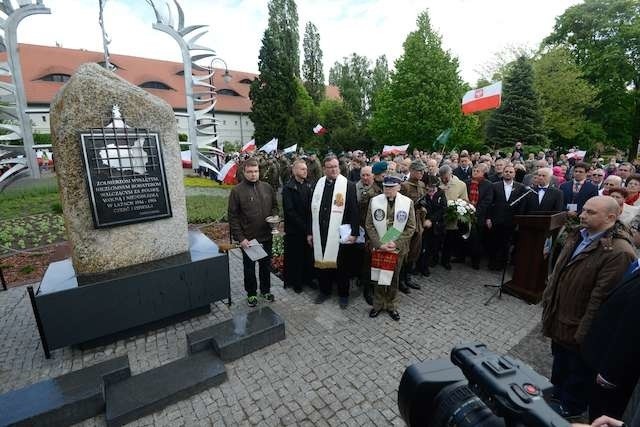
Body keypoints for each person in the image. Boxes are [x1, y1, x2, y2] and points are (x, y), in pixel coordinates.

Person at [542, 196, 636, 418]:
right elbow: (560, 271)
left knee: (577, 373)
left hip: (580, 330)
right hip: (561, 317)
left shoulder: (619, 252)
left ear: (611, 217)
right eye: (584, 210)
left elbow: (600, 301)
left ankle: (570, 409)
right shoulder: (578, 233)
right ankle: (556, 395)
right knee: (560, 364)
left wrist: (582, 336)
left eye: (591, 212)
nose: (583, 215)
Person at [309, 155, 360, 309]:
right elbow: (311, 211)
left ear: (339, 167)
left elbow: (354, 211)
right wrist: (309, 232)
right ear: (324, 169)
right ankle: (324, 291)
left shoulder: (348, 185)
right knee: (322, 264)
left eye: (336, 166)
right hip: (321, 232)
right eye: (330, 167)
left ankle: (343, 295)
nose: (333, 169)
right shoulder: (318, 184)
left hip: (340, 232)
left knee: (342, 266)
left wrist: (354, 232)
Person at [228, 158, 279, 307]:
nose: (253, 174)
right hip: (249, 239)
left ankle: (265, 291)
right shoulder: (237, 191)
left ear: (259, 171)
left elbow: (275, 206)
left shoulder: (267, 187)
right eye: (250, 172)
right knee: (249, 268)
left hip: (266, 235)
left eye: (256, 171)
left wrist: (274, 218)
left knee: (265, 266)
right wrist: (241, 238)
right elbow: (233, 216)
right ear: (244, 172)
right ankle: (251, 293)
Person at [365, 175, 416, 321]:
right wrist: (380, 243)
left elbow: (411, 227)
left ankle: (392, 305)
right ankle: (378, 304)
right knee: (379, 277)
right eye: (386, 187)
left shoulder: (407, 203)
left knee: (394, 277)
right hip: (380, 246)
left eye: (391, 187)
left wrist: (397, 243)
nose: (388, 189)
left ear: (399, 187)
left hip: (397, 248)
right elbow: (369, 225)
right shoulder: (374, 201)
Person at [486, 164, 526, 271]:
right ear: (503, 173)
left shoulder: (520, 187)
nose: (508, 173)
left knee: (506, 243)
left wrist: (518, 221)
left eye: (510, 172)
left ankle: (502, 264)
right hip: (496, 219)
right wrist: (489, 218)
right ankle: (492, 263)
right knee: (494, 242)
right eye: (506, 171)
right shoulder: (495, 185)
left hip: (510, 220)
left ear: (514, 174)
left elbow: (521, 206)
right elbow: (490, 203)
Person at [282, 159, 314, 293]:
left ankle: (309, 279)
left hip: (308, 228)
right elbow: (290, 211)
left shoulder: (309, 185)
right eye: (302, 169)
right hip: (295, 230)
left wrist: (310, 227)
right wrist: (305, 227)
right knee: (296, 256)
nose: (305, 171)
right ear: (294, 171)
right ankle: (297, 282)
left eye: (306, 169)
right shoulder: (288, 188)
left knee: (308, 255)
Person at [400, 160, 427, 289]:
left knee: (415, 251)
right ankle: (400, 280)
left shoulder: (422, 184)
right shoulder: (404, 186)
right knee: (404, 251)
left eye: (422, 170)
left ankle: (407, 277)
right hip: (406, 223)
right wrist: (415, 204)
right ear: (411, 171)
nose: (421, 173)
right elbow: (400, 206)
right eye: (419, 170)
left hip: (418, 222)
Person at [461, 163, 493, 269]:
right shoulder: (466, 183)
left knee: (477, 239)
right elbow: (462, 197)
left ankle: (475, 261)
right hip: (465, 214)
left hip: (478, 216)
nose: (474, 172)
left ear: (483, 173)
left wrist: (475, 212)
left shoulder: (488, 184)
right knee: (463, 235)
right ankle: (461, 256)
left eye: (477, 171)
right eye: (474, 170)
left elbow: (487, 201)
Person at [438, 164, 468, 270]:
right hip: (438, 217)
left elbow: (465, 200)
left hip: (452, 218)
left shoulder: (461, 185)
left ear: (451, 174)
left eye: (446, 178)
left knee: (449, 241)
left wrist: (456, 208)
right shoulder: (437, 183)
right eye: (442, 178)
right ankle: (434, 259)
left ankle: (445, 260)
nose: (444, 180)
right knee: (437, 240)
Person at [417, 175, 447, 274]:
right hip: (423, 225)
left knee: (431, 248)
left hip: (436, 226)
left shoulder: (441, 194)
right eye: (428, 188)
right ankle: (419, 266)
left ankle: (425, 267)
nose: (429, 190)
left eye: (432, 188)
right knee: (422, 247)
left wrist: (431, 220)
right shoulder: (424, 195)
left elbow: (443, 209)